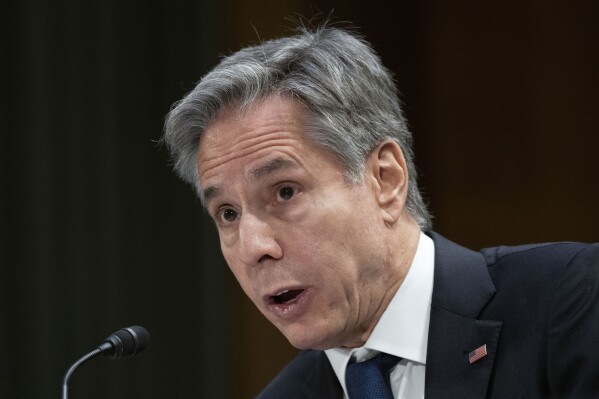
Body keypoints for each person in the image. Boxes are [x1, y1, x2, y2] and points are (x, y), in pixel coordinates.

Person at [162, 24, 599, 398]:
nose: (254, 246)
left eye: (285, 192)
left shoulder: (569, 301)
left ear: (385, 179)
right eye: (228, 214)